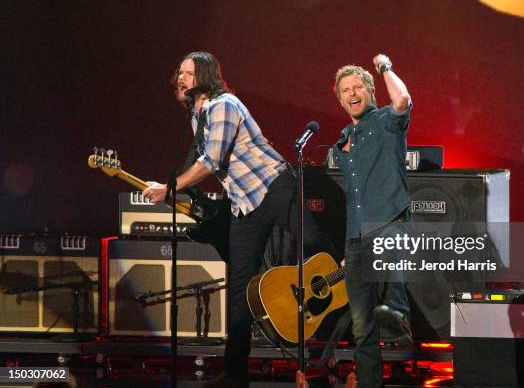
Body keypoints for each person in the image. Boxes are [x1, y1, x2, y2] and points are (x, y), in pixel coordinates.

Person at [143, 51, 336, 388]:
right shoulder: (198, 116)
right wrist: (170, 188)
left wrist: (170, 187)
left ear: (204, 76)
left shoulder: (224, 105)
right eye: (180, 73)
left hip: (274, 186)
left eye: (188, 73)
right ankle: (235, 373)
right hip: (244, 204)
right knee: (240, 287)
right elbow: (197, 158)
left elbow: (211, 159)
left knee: (314, 244)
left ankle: (347, 291)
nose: (181, 79)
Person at [331, 54, 413, 388]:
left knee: (389, 299)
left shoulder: (384, 122)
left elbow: (403, 100)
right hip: (356, 237)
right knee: (362, 327)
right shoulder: (341, 145)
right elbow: (354, 198)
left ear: (369, 91)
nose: (352, 94)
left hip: (389, 222)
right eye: (345, 90)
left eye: (357, 88)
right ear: (339, 99)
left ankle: (399, 316)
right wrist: (350, 247)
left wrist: (385, 68)